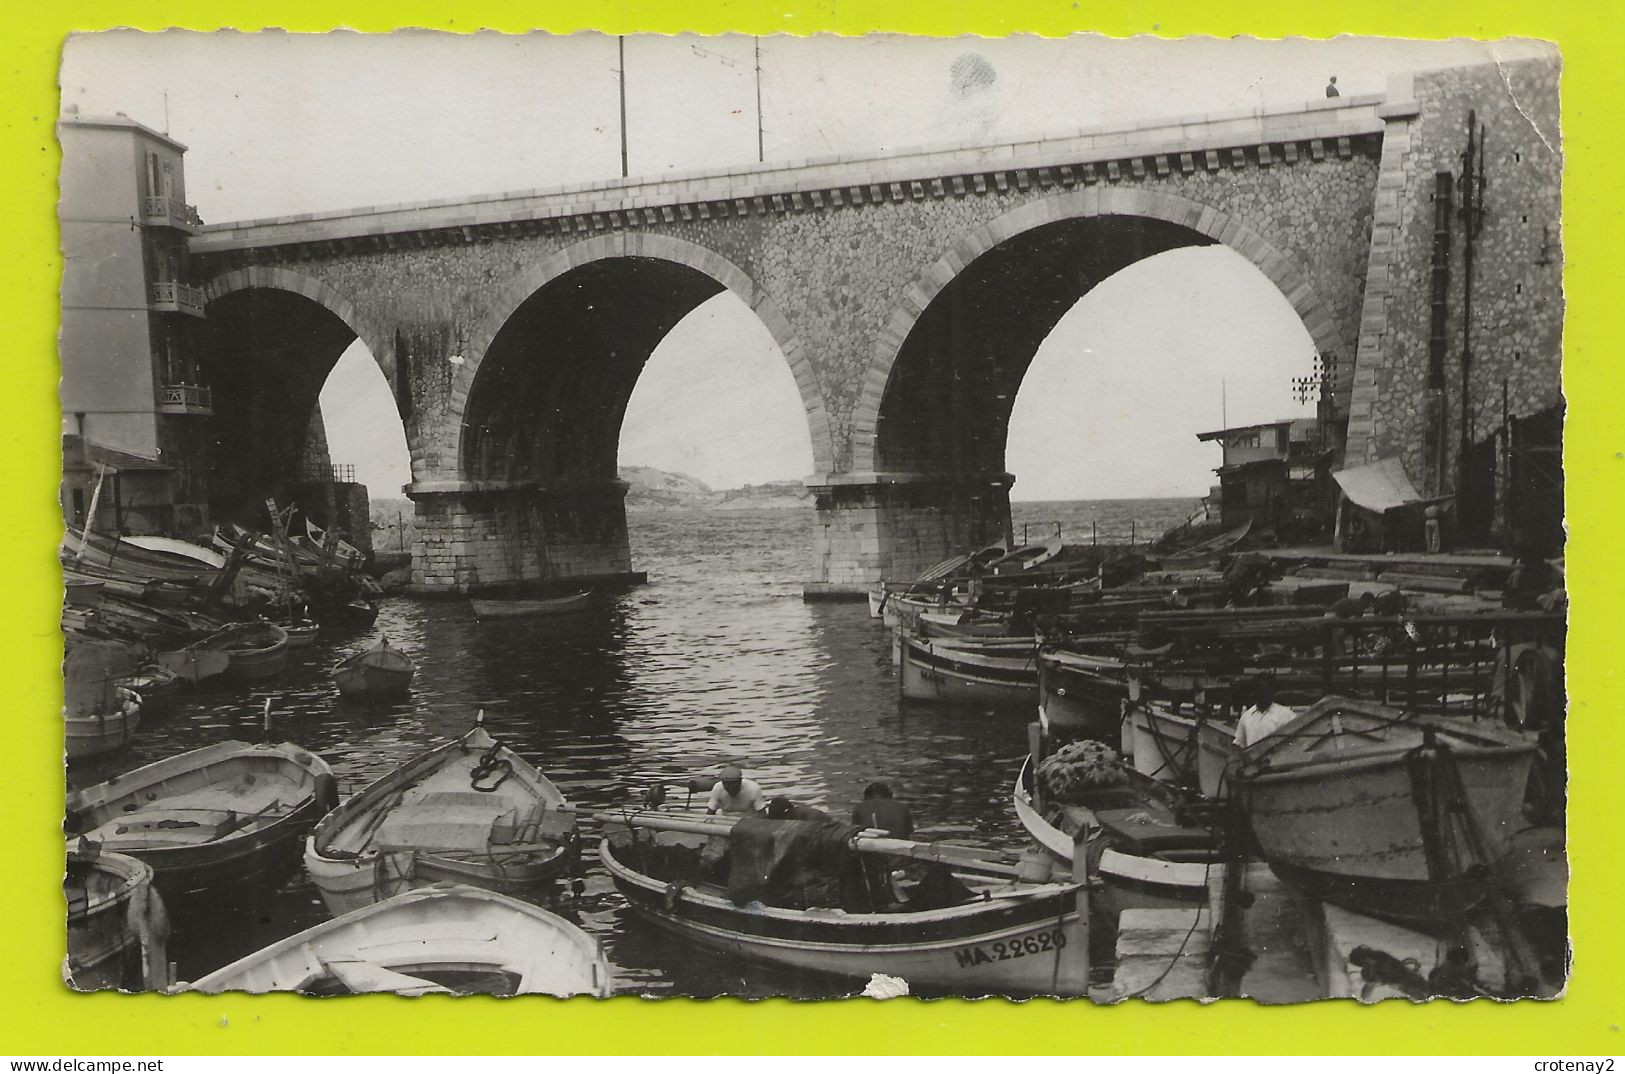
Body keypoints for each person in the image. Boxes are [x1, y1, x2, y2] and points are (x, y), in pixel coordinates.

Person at [1233, 677, 1298, 750]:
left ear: (1272, 692)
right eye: (1259, 691)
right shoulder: (1246, 716)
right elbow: (1239, 743)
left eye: (1266, 690)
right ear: (1254, 693)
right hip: (1253, 760)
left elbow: (1294, 743)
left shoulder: (1286, 715)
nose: (1262, 695)